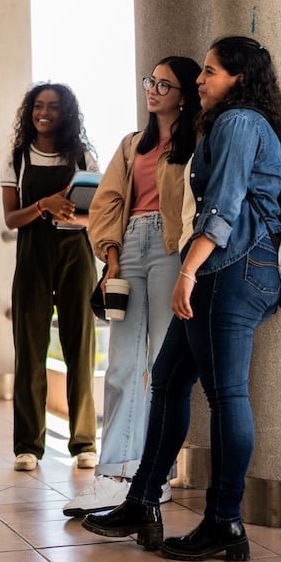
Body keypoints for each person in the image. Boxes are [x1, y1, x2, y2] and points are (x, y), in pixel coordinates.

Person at [83, 36, 281, 562]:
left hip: (231, 269)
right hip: (231, 268)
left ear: (239, 79)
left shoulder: (239, 122)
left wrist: (188, 271)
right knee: (169, 382)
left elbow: (223, 205)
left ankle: (223, 521)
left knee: (226, 395)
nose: (200, 80)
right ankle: (142, 502)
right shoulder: (235, 123)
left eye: (210, 71)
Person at [62, 57, 200, 517]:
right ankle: (112, 475)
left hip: (172, 249)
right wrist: (111, 260)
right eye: (151, 81)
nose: (153, 90)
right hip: (131, 246)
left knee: (162, 367)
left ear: (185, 95)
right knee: (121, 365)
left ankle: (153, 476)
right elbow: (108, 201)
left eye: (164, 84)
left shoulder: (196, 142)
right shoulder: (131, 144)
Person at [2, 82, 100, 472]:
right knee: (29, 350)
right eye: (38, 106)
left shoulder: (84, 157)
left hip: (76, 254)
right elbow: (11, 219)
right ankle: (28, 445)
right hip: (32, 256)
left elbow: (98, 215)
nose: (44, 112)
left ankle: (84, 443)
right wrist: (44, 204)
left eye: (53, 106)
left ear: (66, 112)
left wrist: (70, 212)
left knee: (81, 348)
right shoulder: (17, 157)